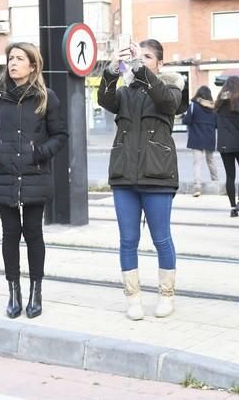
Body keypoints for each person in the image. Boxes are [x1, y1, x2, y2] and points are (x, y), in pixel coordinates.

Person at [0, 42, 68, 319]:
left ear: (33, 65)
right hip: (4, 174)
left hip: (35, 175)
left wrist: (40, 153)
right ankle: (13, 292)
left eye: (19, 58)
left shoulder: (46, 97)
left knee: (34, 234)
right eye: (10, 58)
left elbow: (60, 135)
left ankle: (35, 292)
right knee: (10, 235)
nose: (13, 63)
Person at [97, 38, 185, 320]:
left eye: (147, 57)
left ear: (160, 63)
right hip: (124, 175)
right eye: (138, 56)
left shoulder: (171, 87)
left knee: (161, 238)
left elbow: (166, 103)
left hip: (157, 174)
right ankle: (133, 298)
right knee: (127, 240)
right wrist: (112, 70)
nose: (141, 60)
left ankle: (166, 295)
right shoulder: (125, 93)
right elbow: (105, 99)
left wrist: (139, 70)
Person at [215, 76, 239, 217]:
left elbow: (215, 124)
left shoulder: (218, 103)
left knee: (230, 176)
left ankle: (233, 207)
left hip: (223, 144)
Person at [183, 85, 218, 197]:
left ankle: (197, 187)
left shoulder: (193, 106)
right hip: (209, 137)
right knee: (211, 160)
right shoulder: (213, 108)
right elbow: (217, 124)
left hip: (196, 137)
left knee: (197, 163)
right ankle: (216, 182)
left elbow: (187, 120)